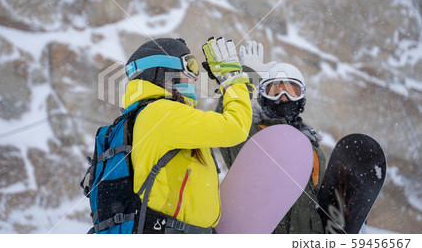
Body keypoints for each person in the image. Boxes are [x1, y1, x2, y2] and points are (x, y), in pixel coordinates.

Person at [123, 37, 252, 233]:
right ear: (165, 73)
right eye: (189, 66)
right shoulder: (162, 113)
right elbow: (235, 127)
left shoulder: (151, 114)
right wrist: (232, 79)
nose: (195, 77)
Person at [218, 40, 327, 234]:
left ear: (301, 98)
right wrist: (245, 79)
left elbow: (322, 199)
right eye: (275, 90)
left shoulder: (311, 148)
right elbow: (225, 121)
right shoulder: (248, 135)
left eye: (292, 91)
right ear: (262, 96)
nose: (283, 97)